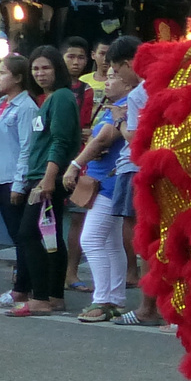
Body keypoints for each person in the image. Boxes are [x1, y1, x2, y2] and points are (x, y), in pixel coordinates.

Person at [9, 46, 79, 317]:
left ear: (57, 69)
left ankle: (39, 298)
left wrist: (48, 179)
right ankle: (54, 295)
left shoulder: (61, 97)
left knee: (29, 234)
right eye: (35, 69)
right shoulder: (49, 99)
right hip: (41, 174)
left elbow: (60, 142)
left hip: (47, 176)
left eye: (46, 68)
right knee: (50, 237)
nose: (40, 73)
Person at [69, 50, 137, 322]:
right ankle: (115, 299)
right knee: (110, 243)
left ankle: (102, 299)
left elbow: (104, 138)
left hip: (107, 184)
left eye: (113, 77)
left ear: (128, 83)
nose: (107, 82)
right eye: (106, 77)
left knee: (91, 240)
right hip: (107, 181)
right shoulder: (117, 107)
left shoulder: (124, 107)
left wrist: (74, 165)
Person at [106, 36, 166, 327]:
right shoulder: (171, 81)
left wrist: (118, 121)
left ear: (128, 63)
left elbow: (135, 137)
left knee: (144, 239)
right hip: (167, 167)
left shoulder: (137, 94)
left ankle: (147, 308)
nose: (119, 77)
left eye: (117, 70)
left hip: (141, 168)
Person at [0, 53, 36, 308]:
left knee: (22, 236)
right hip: (3, 177)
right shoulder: (4, 104)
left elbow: (27, 147)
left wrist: (19, 183)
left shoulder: (27, 107)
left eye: (3, 72)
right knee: (18, 236)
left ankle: (22, 289)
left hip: (16, 180)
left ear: (17, 78)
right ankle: (23, 286)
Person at [61, 37, 96, 291]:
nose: (76, 62)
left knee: (77, 218)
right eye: (70, 56)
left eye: (80, 57)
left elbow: (85, 127)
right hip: (52, 157)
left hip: (78, 158)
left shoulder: (86, 91)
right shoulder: (45, 88)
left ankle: (71, 272)